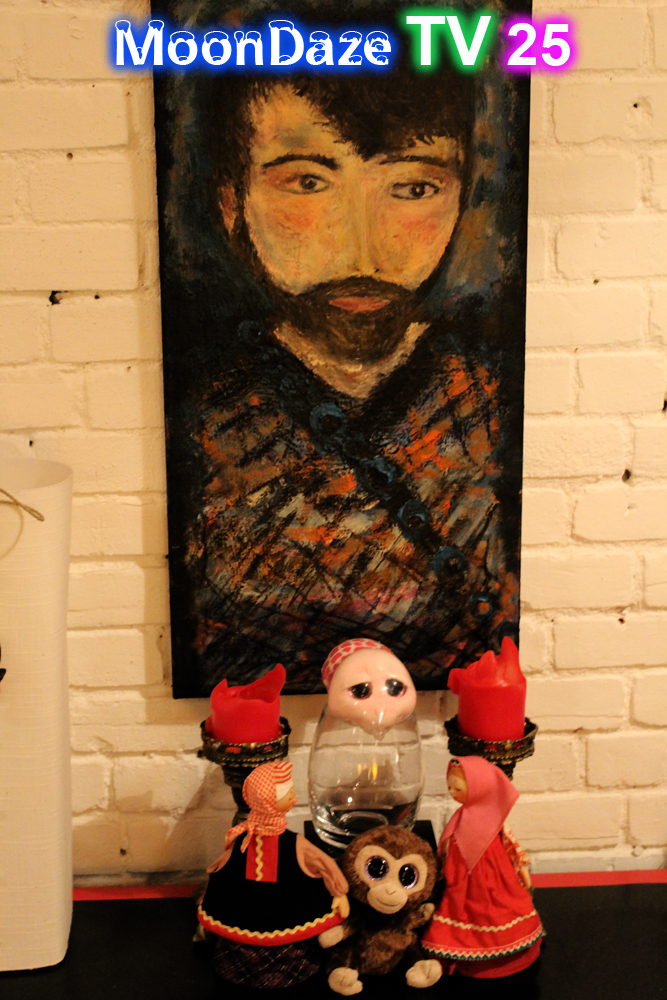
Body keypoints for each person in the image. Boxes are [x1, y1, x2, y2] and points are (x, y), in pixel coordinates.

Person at [157, 5, 527, 694]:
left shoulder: (491, 402)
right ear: (232, 203)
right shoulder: (199, 424)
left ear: (462, 197)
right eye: (307, 182)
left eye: (412, 187)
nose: (363, 247)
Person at [198, 759, 349, 988]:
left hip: (283, 912)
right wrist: (340, 890)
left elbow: (323, 864)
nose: (294, 799)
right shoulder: (263, 840)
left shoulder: (248, 837)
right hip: (253, 911)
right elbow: (324, 864)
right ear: (268, 802)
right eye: (288, 795)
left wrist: (339, 892)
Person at [421, 756, 543, 977]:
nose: (452, 793)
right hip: (462, 879)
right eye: (450, 787)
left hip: (496, 877)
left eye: (458, 788)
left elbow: (510, 843)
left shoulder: (493, 819)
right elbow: (447, 845)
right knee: (463, 911)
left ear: (480, 787)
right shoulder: (460, 818)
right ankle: (462, 950)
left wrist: (523, 870)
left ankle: (505, 949)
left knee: (499, 910)